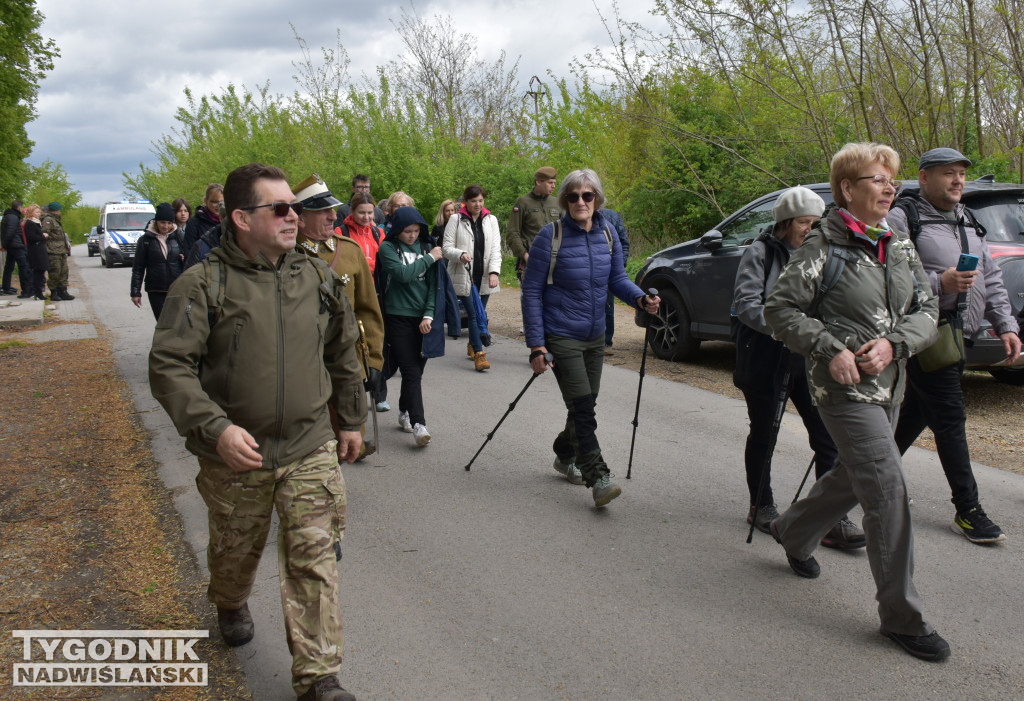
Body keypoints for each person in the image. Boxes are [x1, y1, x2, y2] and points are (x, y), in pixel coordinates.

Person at [149, 163, 364, 701]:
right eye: (281, 208)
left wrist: (352, 418)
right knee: (234, 552)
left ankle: (319, 678)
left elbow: (342, 349)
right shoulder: (202, 283)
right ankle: (229, 600)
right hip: (235, 454)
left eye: (295, 207)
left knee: (313, 557)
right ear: (242, 218)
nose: (296, 216)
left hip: (308, 444)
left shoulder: (316, 275)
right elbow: (169, 366)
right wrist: (215, 429)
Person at [764, 142, 948, 662]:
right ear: (848, 189)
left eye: (892, 180)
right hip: (841, 389)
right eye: (877, 179)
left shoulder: (901, 244)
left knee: (857, 473)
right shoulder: (823, 246)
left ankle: (793, 530)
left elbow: (929, 309)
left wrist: (896, 343)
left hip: (892, 384)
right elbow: (779, 309)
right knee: (885, 485)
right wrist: (830, 347)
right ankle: (902, 616)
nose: (890, 187)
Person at [888, 147, 1021, 544]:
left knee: (917, 410)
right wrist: (938, 284)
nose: (958, 181)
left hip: (958, 332)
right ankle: (968, 510)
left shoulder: (967, 219)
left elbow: (991, 277)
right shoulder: (903, 218)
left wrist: (1006, 325)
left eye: (961, 173)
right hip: (922, 330)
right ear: (925, 177)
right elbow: (888, 280)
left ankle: (868, 474)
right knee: (949, 417)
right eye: (948, 173)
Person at [731, 187, 865, 549]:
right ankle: (761, 505)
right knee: (765, 433)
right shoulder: (760, 252)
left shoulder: (822, 252)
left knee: (826, 436)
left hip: (809, 356)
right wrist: (786, 329)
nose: (811, 228)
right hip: (766, 355)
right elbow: (745, 304)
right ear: (786, 222)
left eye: (816, 222)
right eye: (805, 222)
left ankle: (830, 516)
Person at [521, 169, 659, 507]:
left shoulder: (607, 233)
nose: (580, 202)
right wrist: (537, 345)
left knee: (586, 403)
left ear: (597, 199)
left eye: (587, 196)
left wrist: (640, 298)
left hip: (595, 335)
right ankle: (597, 476)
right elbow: (530, 293)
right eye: (573, 196)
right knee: (582, 408)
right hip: (562, 334)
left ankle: (563, 452)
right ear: (565, 199)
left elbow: (618, 279)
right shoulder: (548, 237)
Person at [292, 174, 385, 458]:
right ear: (300, 217)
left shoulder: (350, 250)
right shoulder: (285, 252)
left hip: (345, 358)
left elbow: (368, 311)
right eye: (323, 211)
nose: (334, 216)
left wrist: (374, 360)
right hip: (300, 361)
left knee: (345, 432)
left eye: (333, 209)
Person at [376, 206, 445, 447]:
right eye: (407, 231)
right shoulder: (387, 248)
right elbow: (402, 274)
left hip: (423, 320)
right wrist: (429, 258)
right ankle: (419, 424)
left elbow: (433, 286)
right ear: (397, 230)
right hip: (397, 317)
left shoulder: (427, 247)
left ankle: (404, 410)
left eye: (416, 231)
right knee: (411, 371)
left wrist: (428, 314)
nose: (412, 236)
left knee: (416, 371)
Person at [442, 185, 502, 372]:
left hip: (483, 275)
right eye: (473, 201)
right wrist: (460, 254)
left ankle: (472, 344)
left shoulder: (491, 220)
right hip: (464, 274)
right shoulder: (456, 219)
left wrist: (494, 272)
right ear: (465, 202)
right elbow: (446, 247)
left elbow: (495, 250)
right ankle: (479, 353)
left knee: (480, 312)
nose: (477, 204)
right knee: (474, 315)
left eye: (480, 200)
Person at [130, 203, 185, 320]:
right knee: (162, 322)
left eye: (169, 223)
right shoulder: (145, 240)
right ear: (156, 221)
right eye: (162, 222)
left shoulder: (179, 237)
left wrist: (184, 259)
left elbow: (189, 262)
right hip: (156, 289)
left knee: (177, 322)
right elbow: (138, 268)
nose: (166, 226)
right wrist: (135, 292)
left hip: (177, 287)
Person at [507, 166, 559, 281]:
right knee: (531, 297)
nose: (553, 186)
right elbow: (512, 233)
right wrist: (525, 255)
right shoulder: (523, 202)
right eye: (550, 182)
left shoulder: (557, 203)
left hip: (556, 262)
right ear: (538, 182)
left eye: (554, 182)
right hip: (532, 262)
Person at [601, 207, 630, 347]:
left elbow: (624, 242)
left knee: (608, 306)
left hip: (609, 269)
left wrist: (620, 264)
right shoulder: (575, 215)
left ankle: (606, 341)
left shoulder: (612, 216)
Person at [41, 202, 74, 301]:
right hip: (53, 251)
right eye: (59, 210)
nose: (59, 212)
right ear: (56, 210)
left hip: (61, 250)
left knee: (64, 272)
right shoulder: (48, 220)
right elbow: (44, 233)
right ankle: (54, 292)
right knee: (55, 272)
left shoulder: (56, 220)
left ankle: (63, 291)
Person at [181, 183, 224, 255]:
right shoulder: (195, 222)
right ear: (206, 201)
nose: (218, 205)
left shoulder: (229, 222)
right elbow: (188, 251)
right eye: (214, 201)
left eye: (221, 202)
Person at [2, 200, 30, 297]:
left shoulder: (7, 216)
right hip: (16, 245)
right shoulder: (13, 217)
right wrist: (4, 245)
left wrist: (5, 244)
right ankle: (26, 290)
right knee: (23, 266)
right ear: (19, 207)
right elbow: (10, 232)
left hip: (11, 245)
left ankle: (6, 287)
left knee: (9, 266)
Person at [22, 204, 48, 300]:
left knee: (41, 271)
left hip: (39, 249)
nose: (39, 214)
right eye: (37, 212)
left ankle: (38, 291)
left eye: (39, 212)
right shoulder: (30, 223)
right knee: (38, 270)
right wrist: (43, 236)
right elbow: (31, 237)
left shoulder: (37, 222)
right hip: (35, 250)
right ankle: (37, 292)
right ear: (31, 213)